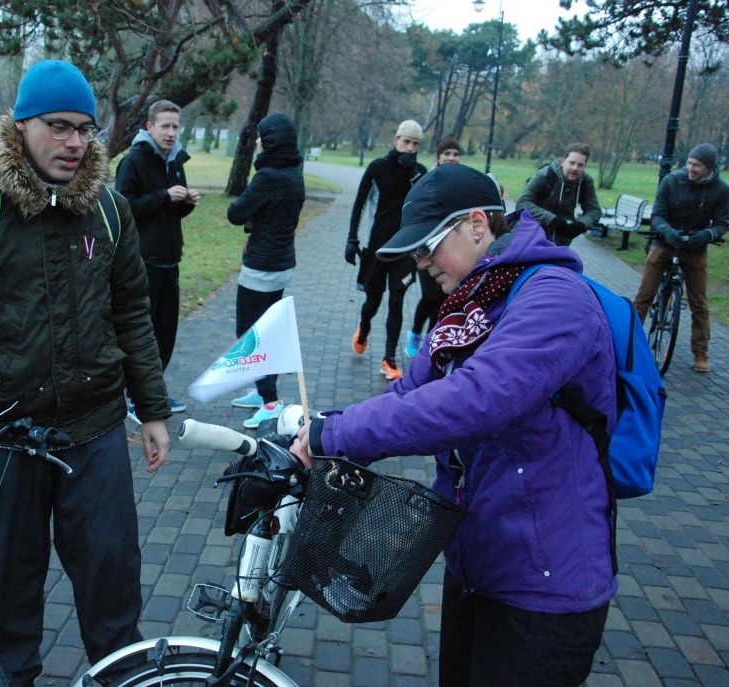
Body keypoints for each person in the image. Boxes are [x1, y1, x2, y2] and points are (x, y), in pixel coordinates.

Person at [0, 60, 171, 686]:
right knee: (11, 593)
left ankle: (122, 676)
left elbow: (132, 313)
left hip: (95, 432)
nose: (74, 143)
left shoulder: (110, 211)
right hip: (4, 437)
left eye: (85, 130)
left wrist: (152, 409)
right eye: (58, 127)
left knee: (112, 582)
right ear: (21, 126)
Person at [292, 163, 618, 686]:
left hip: (545, 583)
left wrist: (340, 434)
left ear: (476, 224)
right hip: (478, 562)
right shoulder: (472, 300)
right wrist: (324, 428)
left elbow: (475, 400)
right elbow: (410, 392)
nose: (422, 263)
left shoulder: (556, 298)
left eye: (427, 247)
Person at [115, 99, 199, 416]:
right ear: (149, 127)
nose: (171, 133)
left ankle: (153, 393)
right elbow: (124, 208)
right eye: (165, 126)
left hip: (170, 260)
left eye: (176, 126)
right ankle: (134, 397)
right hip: (142, 262)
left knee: (165, 331)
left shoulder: (175, 160)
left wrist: (186, 202)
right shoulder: (133, 161)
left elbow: (172, 213)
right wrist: (164, 196)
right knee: (142, 333)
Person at [227, 113, 305, 429]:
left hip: (261, 267)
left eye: (262, 135)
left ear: (272, 140)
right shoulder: (294, 173)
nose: (258, 140)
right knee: (266, 331)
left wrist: (251, 217)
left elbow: (235, 213)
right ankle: (260, 393)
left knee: (250, 336)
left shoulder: (269, 176)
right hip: (282, 263)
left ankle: (270, 401)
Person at [632, 143, 729, 373]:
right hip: (665, 242)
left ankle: (701, 352)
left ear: (710, 168)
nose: (691, 169)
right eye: (689, 163)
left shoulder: (721, 190)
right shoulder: (672, 181)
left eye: (697, 165)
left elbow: (722, 223)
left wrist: (707, 234)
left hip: (695, 247)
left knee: (699, 302)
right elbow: (657, 215)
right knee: (644, 296)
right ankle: (627, 342)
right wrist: (667, 231)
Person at [346, 119, 427, 380]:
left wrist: (413, 175)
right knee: (373, 301)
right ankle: (363, 328)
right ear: (396, 140)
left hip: (405, 249)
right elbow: (359, 204)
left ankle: (389, 359)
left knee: (396, 300)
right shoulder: (377, 168)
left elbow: (426, 208)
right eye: (406, 141)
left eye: (415, 144)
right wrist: (351, 240)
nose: (410, 148)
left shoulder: (420, 172)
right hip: (377, 248)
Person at [405, 135, 457, 357]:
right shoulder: (427, 179)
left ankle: (430, 344)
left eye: (455, 154)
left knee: (443, 298)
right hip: (424, 247)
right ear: (439, 156)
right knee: (429, 296)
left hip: (448, 248)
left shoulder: (461, 181)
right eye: (447, 153)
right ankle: (415, 333)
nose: (451, 157)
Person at [516, 142, 602, 246]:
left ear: (585, 166)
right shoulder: (545, 175)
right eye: (572, 163)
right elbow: (523, 203)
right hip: (534, 230)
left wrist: (581, 225)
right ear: (563, 161)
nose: (575, 168)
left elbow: (595, 210)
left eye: (580, 165)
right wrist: (552, 220)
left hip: (563, 235)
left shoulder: (585, 181)